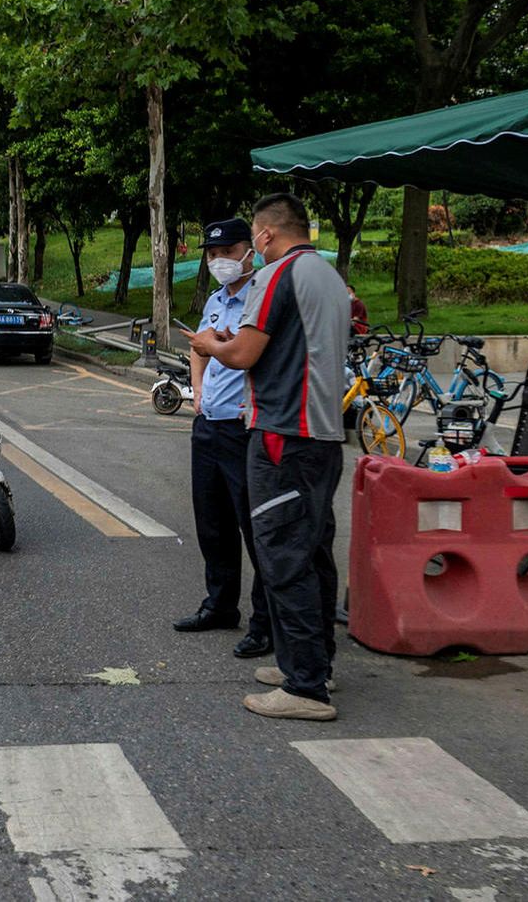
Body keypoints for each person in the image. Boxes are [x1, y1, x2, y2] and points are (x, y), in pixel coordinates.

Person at [185, 193, 348, 722]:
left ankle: (305, 687)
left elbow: (246, 354)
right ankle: (313, 663)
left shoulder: (277, 275)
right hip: (322, 433)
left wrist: (213, 346)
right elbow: (291, 347)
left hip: (282, 431)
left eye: (252, 237)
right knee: (313, 551)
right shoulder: (328, 276)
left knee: (282, 556)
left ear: (267, 236)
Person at [173, 218, 272, 661]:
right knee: (212, 523)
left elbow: (249, 354)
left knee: (255, 527)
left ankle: (265, 622)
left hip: (242, 427)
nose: (219, 262)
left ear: (248, 251)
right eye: (212, 255)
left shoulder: (261, 300)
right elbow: (201, 347)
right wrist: (197, 394)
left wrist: (218, 349)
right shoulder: (216, 300)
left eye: (228, 253)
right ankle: (219, 604)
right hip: (209, 424)